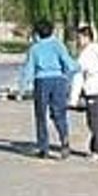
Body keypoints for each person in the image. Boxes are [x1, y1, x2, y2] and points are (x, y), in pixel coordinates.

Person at [21, 20, 79, 159]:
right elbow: (67, 62)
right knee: (59, 113)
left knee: (41, 115)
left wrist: (22, 88)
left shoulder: (34, 48)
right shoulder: (58, 45)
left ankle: (43, 147)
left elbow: (29, 69)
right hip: (58, 81)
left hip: (41, 81)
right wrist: (75, 69)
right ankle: (64, 140)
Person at [69, 25, 98, 161]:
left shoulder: (86, 54)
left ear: (86, 37)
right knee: (96, 121)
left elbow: (78, 76)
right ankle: (96, 148)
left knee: (94, 122)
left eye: (79, 38)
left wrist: (73, 98)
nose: (78, 41)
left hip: (94, 90)